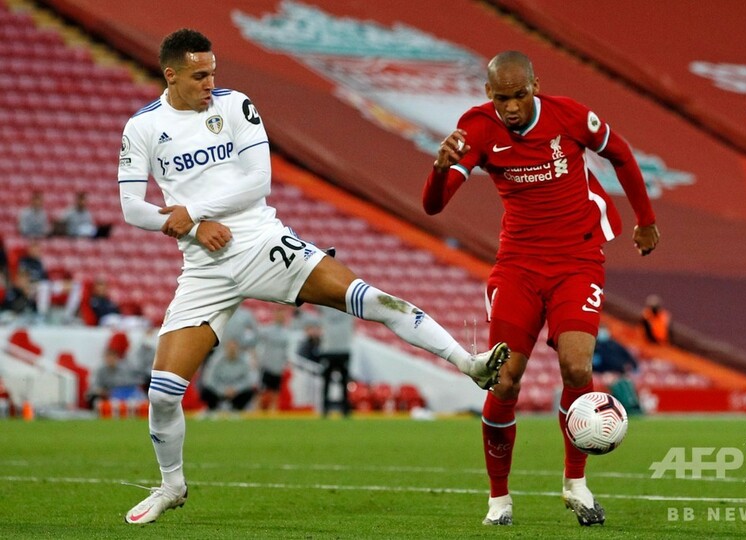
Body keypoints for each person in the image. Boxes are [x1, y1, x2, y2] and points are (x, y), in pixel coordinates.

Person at [117, 28, 509, 525]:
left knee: (370, 299)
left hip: (262, 244)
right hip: (204, 269)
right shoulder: (144, 127)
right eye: (199, 76)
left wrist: (193, 213)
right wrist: (195, 227)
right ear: (170, 75)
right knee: (162, 392)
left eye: (213, 72)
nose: (210, 83)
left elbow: (259, 180)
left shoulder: (234, 105)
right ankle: (172, 485)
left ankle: (468, 363)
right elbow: (132, 207)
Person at [423, 51, 660, 527]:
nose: (511, 107)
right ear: (488, 94)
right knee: (504, 379)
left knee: (577, 366)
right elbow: (433, 206)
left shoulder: (569, 116)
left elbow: (620, 153)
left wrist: (646, 220)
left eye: (519, 95)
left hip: (577, 261)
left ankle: (576, 484)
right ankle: (499, 500)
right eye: (501, 98)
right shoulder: (477, 128)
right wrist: (440, 167)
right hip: (519, 267)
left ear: (535, 85)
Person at [199, 338, 258, 411]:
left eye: (234, 348)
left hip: (237, 393)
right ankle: (213, 409)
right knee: (205, 391)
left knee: (249, 392)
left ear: (238, 349)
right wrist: (223, 390)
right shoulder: (216, 359)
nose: (232, 350)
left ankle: (237, 409)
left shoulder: (245, 361)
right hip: (218, 392)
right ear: (225, 348)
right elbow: (208, 379)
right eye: (230, 348)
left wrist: (235, 389)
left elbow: (250, 379)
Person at [317, 304, 354, 417]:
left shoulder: (348, 305)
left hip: (343, 350)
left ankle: (345, 409)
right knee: (326, 382)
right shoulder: (326, 305)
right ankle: (325, 408)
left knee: (344, 382)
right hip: (329, 350)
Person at [255, 310, 291, 411]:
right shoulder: (268, 330)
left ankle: (273, 411)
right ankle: (257, 411)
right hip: (267, 366)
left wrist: (286, 363)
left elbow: (286, 351)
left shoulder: (286, 333)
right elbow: (256, 339)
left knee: (276, 392)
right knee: (262, 391)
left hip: (278, 368)